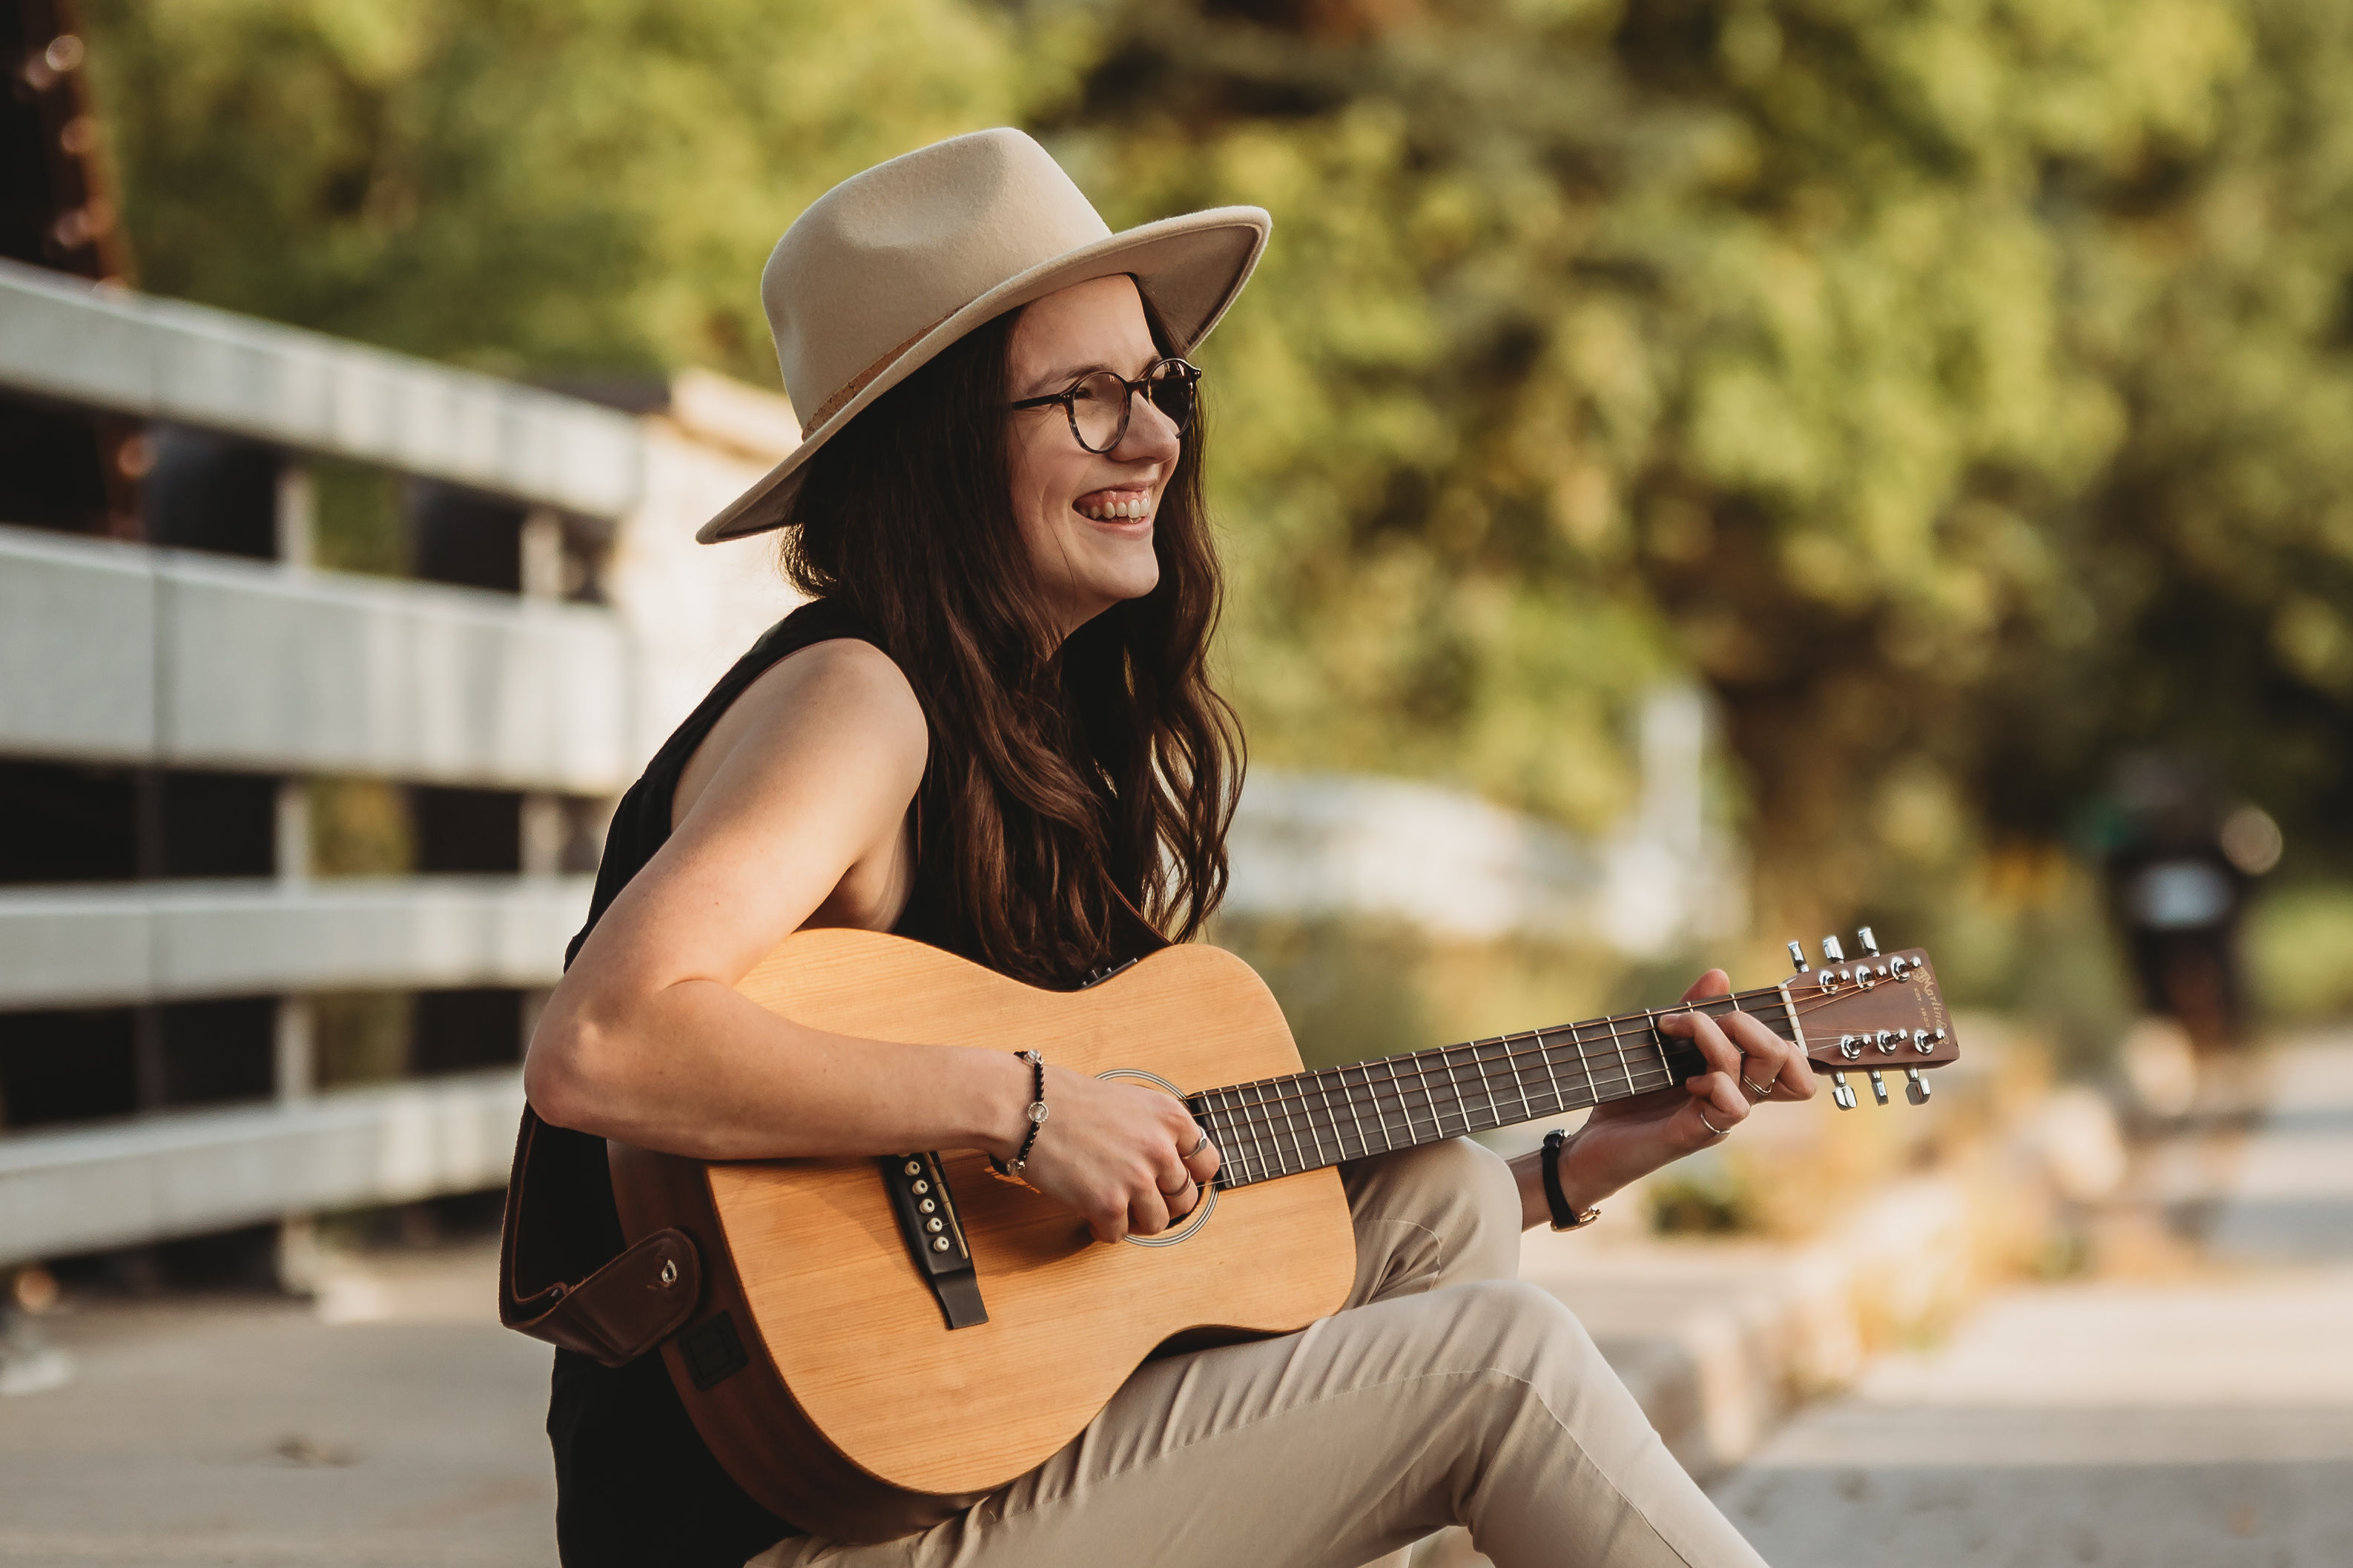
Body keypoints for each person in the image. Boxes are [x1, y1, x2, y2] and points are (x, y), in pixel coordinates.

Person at [520, 128, 1809, 1568]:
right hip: (789, 1535)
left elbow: (1165, 1272)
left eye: (1156, 385)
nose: (1152, 438)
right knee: (1499, 1368)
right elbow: (606, 1041)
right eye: (1082, 399)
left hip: (940, 1474)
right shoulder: (858, 698)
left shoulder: (1022, 727)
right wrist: (1020, 1105)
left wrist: (1570, 1172)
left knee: (1442, 1200)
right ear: (938, 443)